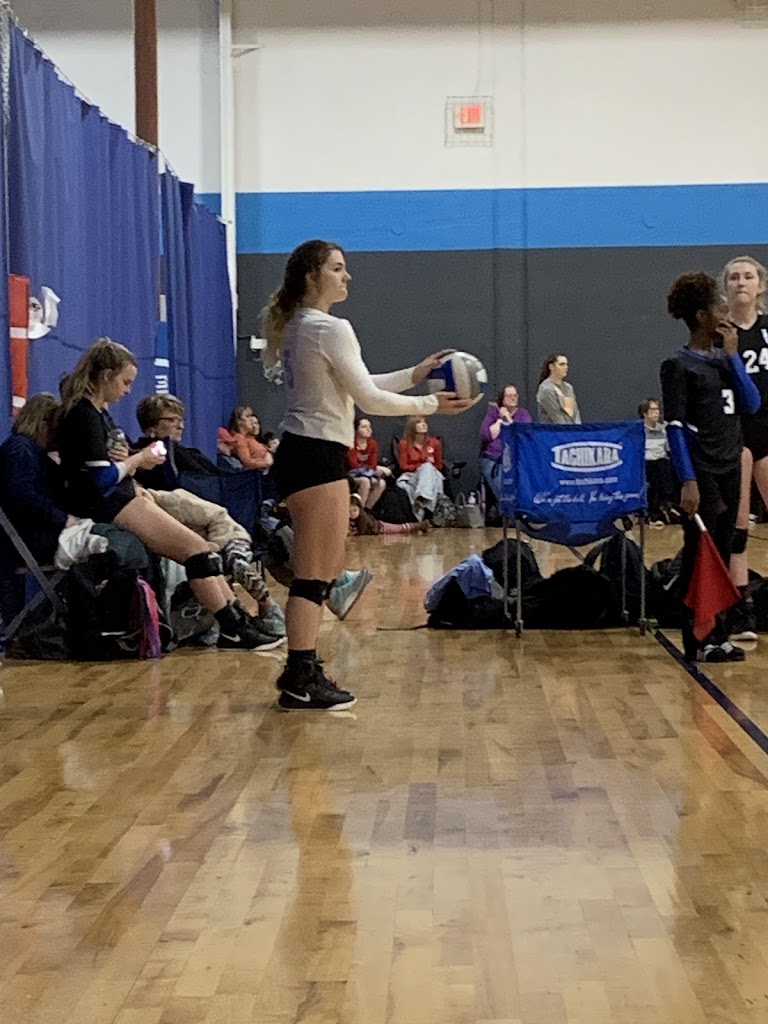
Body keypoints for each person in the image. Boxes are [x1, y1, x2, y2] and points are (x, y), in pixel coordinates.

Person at [261, 238, 478, 711]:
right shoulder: (330, 328)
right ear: (312, 277)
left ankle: (302, 668)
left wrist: (414, 375)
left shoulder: (300, 326)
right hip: (316, 455)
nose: (347, 276)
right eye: (337, 268)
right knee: (314, 574)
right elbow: (370, 400)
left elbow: (357, 385)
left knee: (319, 572)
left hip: (304, 452)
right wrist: (432, 405)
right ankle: (299, 675)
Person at [55, 338, 285, 652]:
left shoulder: (97, 413)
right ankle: (234, 627)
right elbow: (98, 480)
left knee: (204, 550)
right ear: (107, 375)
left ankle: (238, 620)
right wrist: (138, 459)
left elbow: (107, 466)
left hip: (124, 495)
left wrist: (128, 462)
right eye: (125, 382)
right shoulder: (83, 415)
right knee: (197, 552)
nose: (127, 390)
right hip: (108, 503)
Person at [660, 272, 759, 663]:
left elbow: (751, 403)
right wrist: (687, 478)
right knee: (702, 550)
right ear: (702, 316)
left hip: (730, 465)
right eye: (719, 306)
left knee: (724, 548)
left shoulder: (723, 362)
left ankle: (718, 632)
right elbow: (674, 427)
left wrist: (733, 356)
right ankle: (697, 635)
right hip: (701, 471)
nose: (726, 312)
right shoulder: (678, 365)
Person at [721, 254, 768, 641]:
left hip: (767, 429)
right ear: (726, 288)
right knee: (738, 525)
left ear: (760, 286)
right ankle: (740, 609)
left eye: (748, 276)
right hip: (735, 432)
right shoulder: (720, 333)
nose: (741, 282)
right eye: (734, 277)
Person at [479, 385, 532, 502]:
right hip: (494, 459)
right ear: (502, 399)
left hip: (516, 460)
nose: (513, 398)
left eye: (515, 395)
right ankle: (507, 507)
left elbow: (522, 435)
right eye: (509, 395)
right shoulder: (493, 414)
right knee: (503, 491)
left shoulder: (523, 414)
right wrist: (499, 420)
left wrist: (507, 417)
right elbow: (486, 435)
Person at [638, 398, 678, 528]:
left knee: (668, 466)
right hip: (646, 464)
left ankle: (670, 505)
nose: (657, 412)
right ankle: (661, 507)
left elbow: (668, 450)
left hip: (662, 463)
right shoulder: (638, 431)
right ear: (645, 413)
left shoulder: (664, 429)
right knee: (657, 469)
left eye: (658, 410)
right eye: (653, 409)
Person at [396, 416, 446, 519]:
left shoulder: (435, 443)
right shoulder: (404, 444)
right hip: (413, 475)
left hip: (432, 474)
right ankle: (426, 506)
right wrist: (421, 466)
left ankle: (420, 505)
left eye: (424, 422)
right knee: (423, 470)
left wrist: (427, 466)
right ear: (412, 426)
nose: (423, 425)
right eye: (419, 423)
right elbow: (403, 466)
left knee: (428, 469)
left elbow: (439, 465)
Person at [345, 416, 391, 508]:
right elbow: (353, 464)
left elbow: (373, 464)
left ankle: (367, 510)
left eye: (369, 427)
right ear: (356, 430)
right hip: (351, 474)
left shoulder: (372, 444)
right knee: (365, 482)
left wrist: (370, 469)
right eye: (364, 427)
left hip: (367, 473)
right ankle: (359, 510)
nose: (368, 429)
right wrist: (368, 469)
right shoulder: (351, 443)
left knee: (381, 483)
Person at [220, 407, 273, 472]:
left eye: (251, 415)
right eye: (247, 416)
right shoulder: (239, 438)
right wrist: (267, 463)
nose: (252, 419)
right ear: (239, 421)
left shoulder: (250, 438)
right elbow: (247, 462)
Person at [536, 353, 581, 424]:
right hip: (554, 429)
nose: (565, 367)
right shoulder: (546, 389)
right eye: (561, 364)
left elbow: (574, 413)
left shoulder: (568, 387)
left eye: (566, 364)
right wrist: (568, 429)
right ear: (551, 367)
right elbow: (555, 415)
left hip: (572, 429)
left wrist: (578, 428)